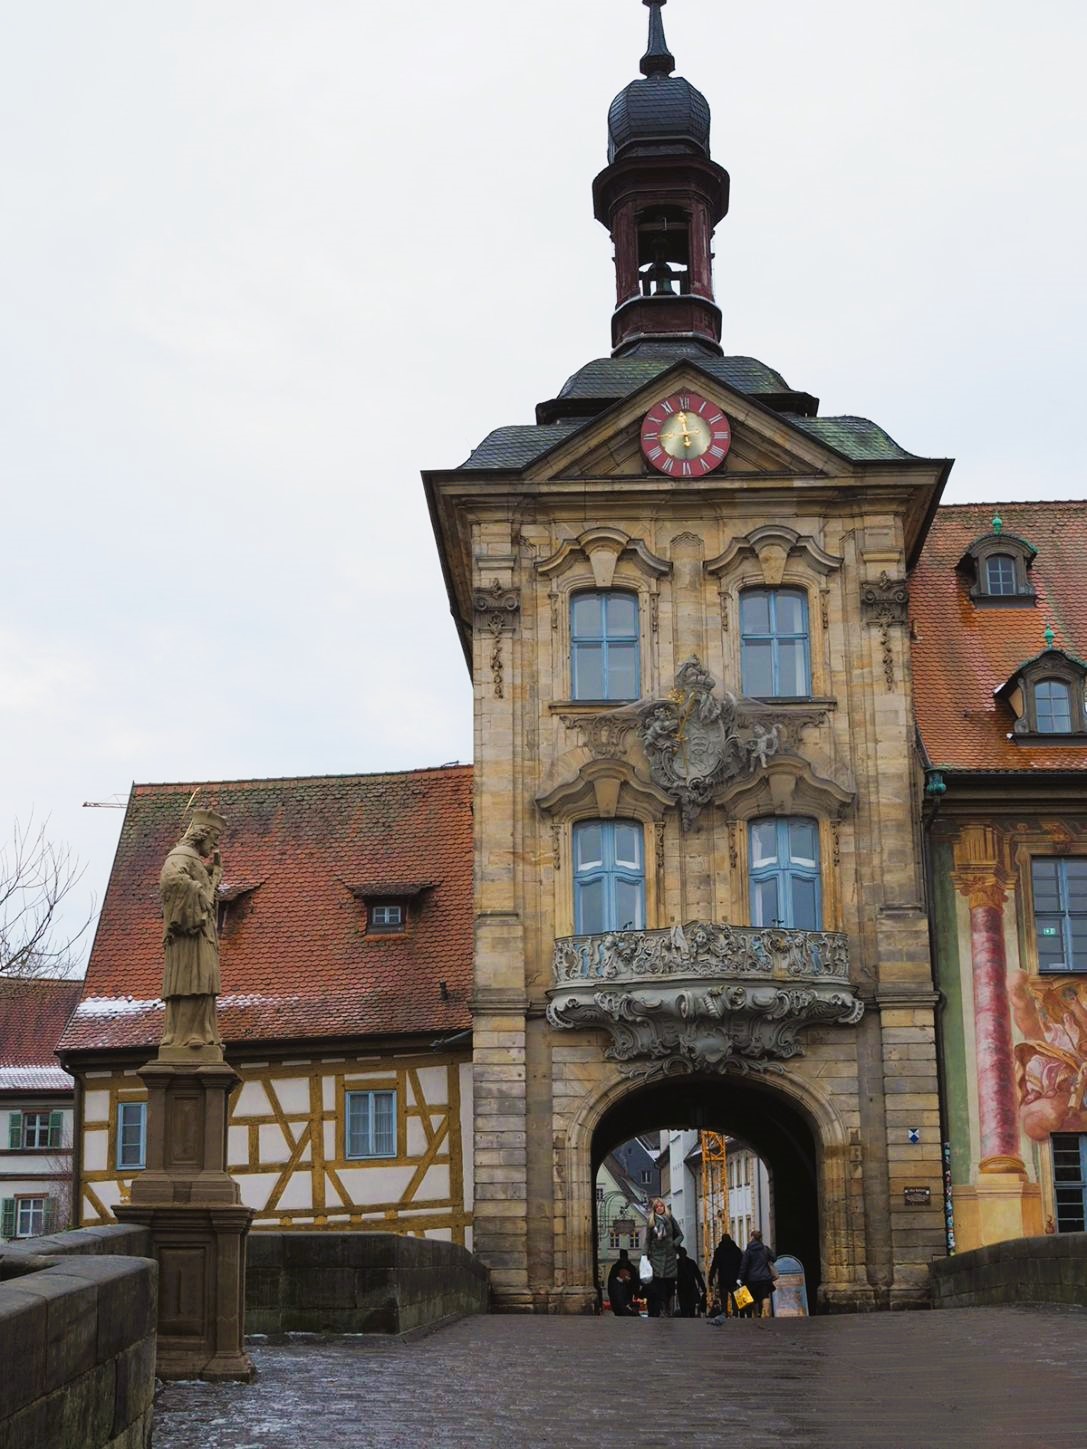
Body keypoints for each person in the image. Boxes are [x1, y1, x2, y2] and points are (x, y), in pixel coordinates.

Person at [644, 1197, 683, 1317]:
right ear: (654, 1209)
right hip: (656, 1256)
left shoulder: (670, 1219)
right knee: (658, 1285)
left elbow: (680, 1235)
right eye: (657, 1207)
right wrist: (644, 1255)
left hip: (670, 1256)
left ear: (664, 1207)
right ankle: (661, 1308)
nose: (660, 1208)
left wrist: (674, 1244)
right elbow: (647, 1240)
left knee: (669, 1285)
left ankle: (668, 1308)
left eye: (661, 1206)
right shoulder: (651, 1221)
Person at [738, 1228, 777, 1319]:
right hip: (765, 1278)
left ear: (752, 1237)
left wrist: (740, 1277)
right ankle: (766, 1313)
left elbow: (744, 1266)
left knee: (753, 1299)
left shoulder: (748, 1251)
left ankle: (755, 1315)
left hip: (752, 1280)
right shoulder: (765, 1249)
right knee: (764, 1296)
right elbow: (774, 1258)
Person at [707, 1230, 744, 1322]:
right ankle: (736, 1313)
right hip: (734, 1278)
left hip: (723, 1279)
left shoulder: (719, 1251)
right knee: (736, 1297)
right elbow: (742, 1264)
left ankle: (724, 1313)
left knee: (724, 1299)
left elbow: (714, 1265)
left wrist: (710, 1279)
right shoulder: (736, 1250)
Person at [675, 1246, 706, 1318]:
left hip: (684, 1288)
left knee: (685, 1308)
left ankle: (687, 1318)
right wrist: (703, 1287)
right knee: (690, 1307)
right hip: (689, 1287)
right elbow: (698, 1276)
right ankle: (690, 1319)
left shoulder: (677, 1263)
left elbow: (698, 1276)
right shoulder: (691, 1263)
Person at [606, 1249, 638, 1316]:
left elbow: (610, 1282)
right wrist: (636, 1292)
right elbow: (635, 1281)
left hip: (621, 1294)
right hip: (622, 1293)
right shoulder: (630, 1267)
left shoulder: (616, 1267)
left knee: (621, 1309)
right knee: (623, 1309)